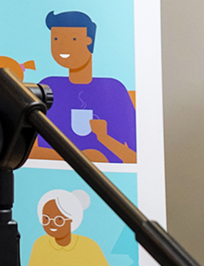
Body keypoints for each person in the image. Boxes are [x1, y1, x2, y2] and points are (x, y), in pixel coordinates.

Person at [31, 11, 136, 163]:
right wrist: (84, 158)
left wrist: (104, 138)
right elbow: (27, 151)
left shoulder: (114, 90)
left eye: (73, 38)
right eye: (56, 38)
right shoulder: (48, 86)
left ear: (89, 40)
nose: (63, 46)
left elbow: (134, 158)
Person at [23, 189, 121, 266]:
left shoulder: (89, 246)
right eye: (46, 219)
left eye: (59, 220)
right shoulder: (41, 244)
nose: (52, 224)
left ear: (71, 220)